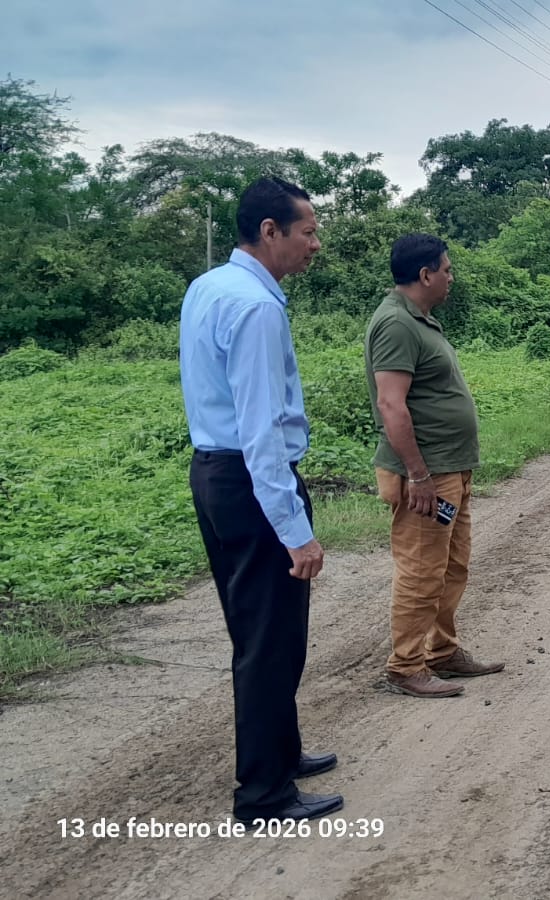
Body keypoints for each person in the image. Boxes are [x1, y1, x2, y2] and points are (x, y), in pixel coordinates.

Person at [179, 176, 343, 823]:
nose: (315, 244)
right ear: (270, 232)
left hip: (214, 474)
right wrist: (295, 530)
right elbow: (261, 431)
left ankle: (281, 752)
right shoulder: (256, 308)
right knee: (271, 640)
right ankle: (264, 795)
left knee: (256, 631)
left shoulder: (210, 286)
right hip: (250, 480)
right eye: (308, 231)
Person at [365, 233, 503, 699]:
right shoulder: (396, 325)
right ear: (425, 275)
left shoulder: (419, 320)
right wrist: (418, 476)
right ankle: (406, 666)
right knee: (422, 570)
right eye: (446, 270)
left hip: (450, 469)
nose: (451, 277)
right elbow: (391, 404)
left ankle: (442, 651)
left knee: (452, 566)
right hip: (428, 475)